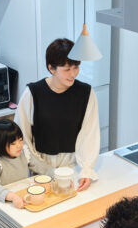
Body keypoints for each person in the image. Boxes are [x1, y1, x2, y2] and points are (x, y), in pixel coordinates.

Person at [16, 38, 99, 192]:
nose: (73, 74)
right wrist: (43, 169)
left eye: (76, 67)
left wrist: (87, 170)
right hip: (40, 170)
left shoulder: (86, 93)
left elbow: (90, 134)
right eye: (67, 69)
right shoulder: (32, 93)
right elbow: (22, 138)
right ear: (51, 68)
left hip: (74, 169)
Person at [0, 119, 31, 208]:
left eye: (20, 140)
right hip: (5, 202)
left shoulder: (23, 152)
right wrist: (13, 197)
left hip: (23, 196)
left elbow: (38, 167)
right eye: (13, 143)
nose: (19, 145)